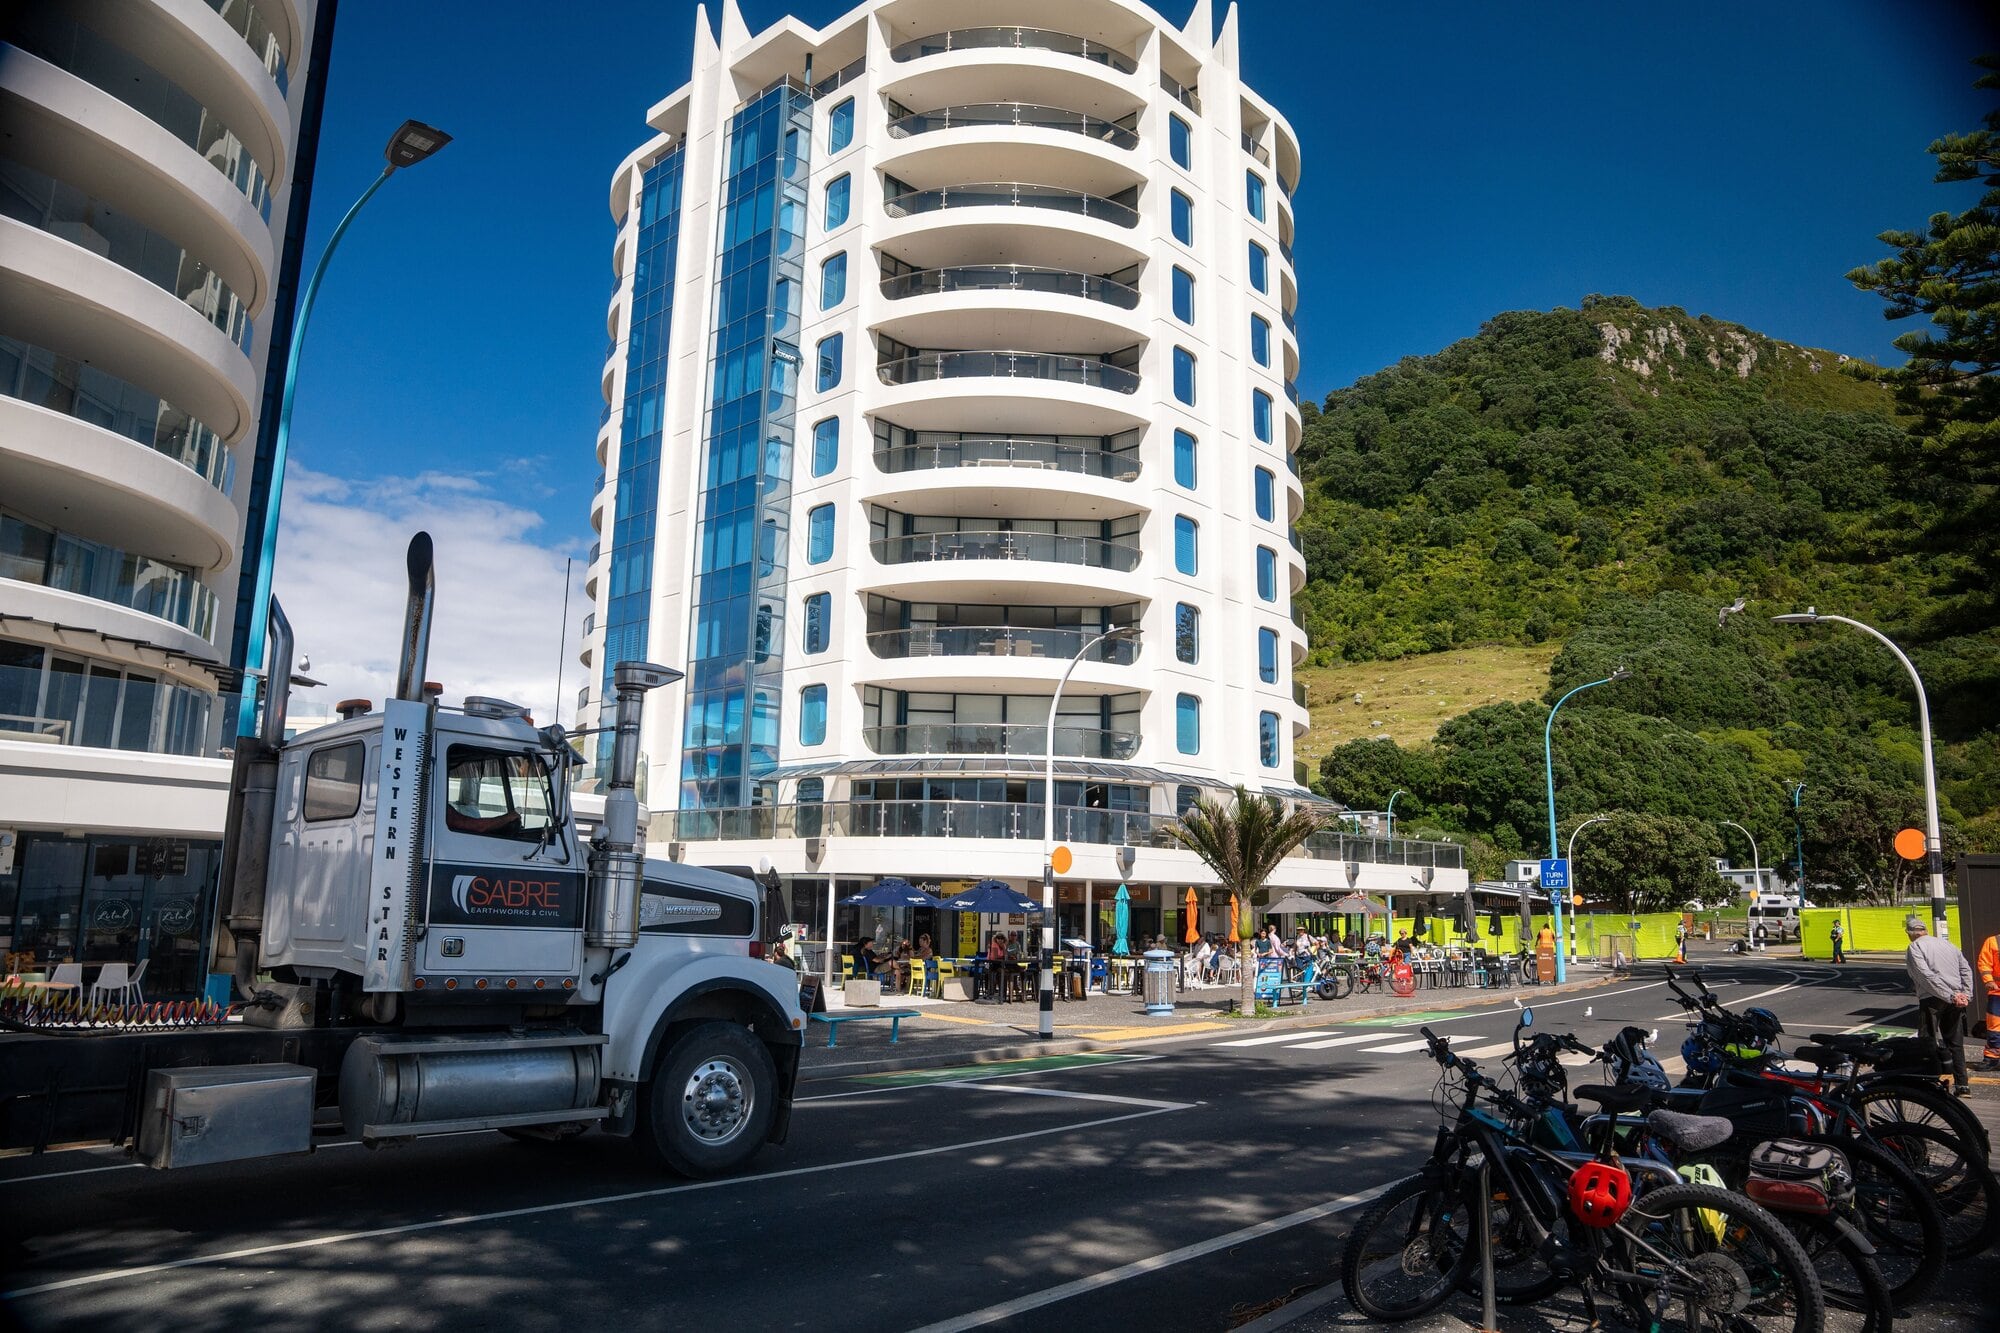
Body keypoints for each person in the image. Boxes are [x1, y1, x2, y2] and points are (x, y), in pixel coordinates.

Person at [1906, 914, 1974, 1094]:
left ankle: (1929, 1082)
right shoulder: (1948, 945)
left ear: (1910, 933)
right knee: (1955, 1042)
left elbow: (1925, 976)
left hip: (1932, 998)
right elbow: (1965, 969)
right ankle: (1962, 1084)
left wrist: (1949, 995)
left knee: (1927, 1040)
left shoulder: (1915, 947)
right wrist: (1965, 994)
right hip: (1956, 997)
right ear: (1926, 930)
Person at [1978, 930, 2000, 1073]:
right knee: (1994, 1026)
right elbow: (1984, 963)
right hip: (1997, 992)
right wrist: (1989, 981)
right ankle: (1992, 1058)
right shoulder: (1993, 941)